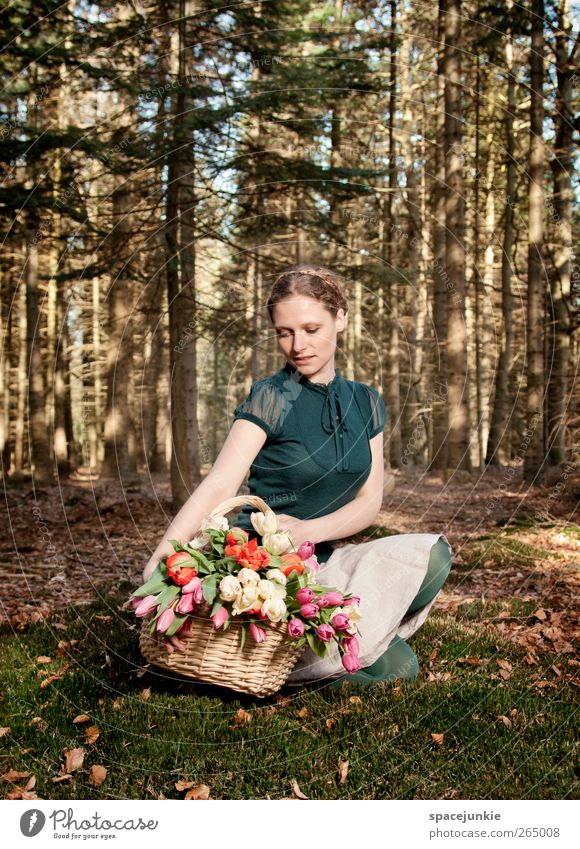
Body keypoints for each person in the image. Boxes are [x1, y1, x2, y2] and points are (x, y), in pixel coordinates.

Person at [143, 263, 452, 688]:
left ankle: (284, 660)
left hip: (323, 563)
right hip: (261, 573)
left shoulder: (367, 403)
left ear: (340, 317)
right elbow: (219, 482)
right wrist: (162, 559)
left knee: (430, 569)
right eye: (284, 332)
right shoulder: (271, 396)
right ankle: (252, 664)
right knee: (379, 672)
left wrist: (307, 529)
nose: (297, 345)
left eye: (310, 328)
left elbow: (370, 501)